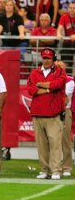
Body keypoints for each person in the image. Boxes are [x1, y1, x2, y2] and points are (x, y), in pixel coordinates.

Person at [27, 48, 66, 180]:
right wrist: (49, 89)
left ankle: (56, 170)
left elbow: (58, 84)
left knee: (55, 143)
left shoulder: (60, 71)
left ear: (53, 59)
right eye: (44, 58)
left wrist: (42, 85)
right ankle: (45, 170)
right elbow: (31, 89)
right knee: (41, 145)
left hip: (53, 115)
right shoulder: (34, 72)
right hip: (37, 113)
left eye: (49, 58)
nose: (46, 60)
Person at [56, 61, 74, 177]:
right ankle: (53, 166)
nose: (59, 69)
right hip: (51, 112)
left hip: (64, 111)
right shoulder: (52, 80)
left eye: (61, 67)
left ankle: (66, 167)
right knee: (52, 141)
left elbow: (63, 98)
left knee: (65, 140)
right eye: (57, 67)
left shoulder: (70, 81)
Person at [56, 2, 75, 76]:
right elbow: (60, 28)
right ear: (68, 9)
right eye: (70, 8)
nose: (72, 10)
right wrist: (58, 34)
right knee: (65, 62)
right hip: (68, 43)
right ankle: (65, 79)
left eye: (74, 8)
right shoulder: (64, 17)